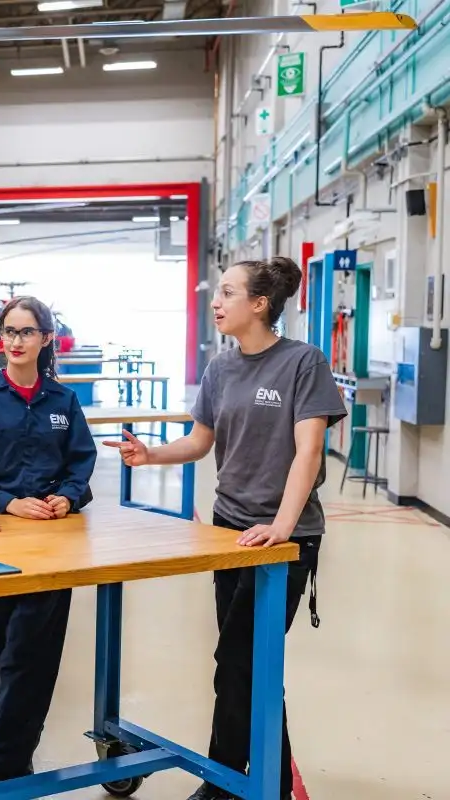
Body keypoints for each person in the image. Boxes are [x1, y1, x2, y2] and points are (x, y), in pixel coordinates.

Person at [104, 256, 346, 800]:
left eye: (229, 293)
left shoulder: (303, 363)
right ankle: (261, 782)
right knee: (247, 662)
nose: (216, 302)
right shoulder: (221, 368)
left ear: (260, 304)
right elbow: (200, 441)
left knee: (239, 660)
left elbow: (308, 451)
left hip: (285, 540)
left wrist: (281, 527)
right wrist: (150, 454)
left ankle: (226, 782)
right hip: (229, 532)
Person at [0, 295, 98, 787]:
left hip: (52, 548)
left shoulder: (63, 402)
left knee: (29, 658)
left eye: (26, 332)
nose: (15, 341)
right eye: (8, 331)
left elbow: (81, 463)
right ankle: (14, 763)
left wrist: (66, 498)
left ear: (46, 339)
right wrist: (8, 502)